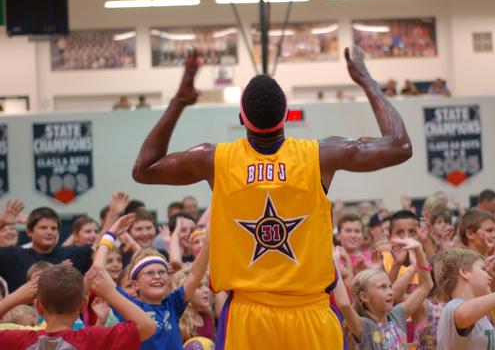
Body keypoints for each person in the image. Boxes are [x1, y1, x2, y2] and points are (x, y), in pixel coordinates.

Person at [131, 46, 412, 350]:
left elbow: (144, 168)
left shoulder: (215, 160)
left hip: (248, 318)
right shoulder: (320, 155)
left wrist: (180, 101)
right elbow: (400, 145)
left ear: (242, 117)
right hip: (312, 316)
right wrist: (366, 79)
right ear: (284, 117)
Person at [94, 213, 210, 350]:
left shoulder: (173, 304)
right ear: (135, 284)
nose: (157, 276)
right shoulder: (130, 306)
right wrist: (110, 234)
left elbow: (196, 273)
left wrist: (209, 239)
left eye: (161, 272)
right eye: (150, 273)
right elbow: (98, 271)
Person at [0, 264, 156, 349]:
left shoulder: (19, 340)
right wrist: (110, 292)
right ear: (83, 305)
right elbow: (147, 326)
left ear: (38, 307)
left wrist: (14, 297)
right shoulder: (93, 339)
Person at [333, 238, 433, 349]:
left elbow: (426, 286)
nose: (390, 292)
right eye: (383, 287)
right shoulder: (366, 327)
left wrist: (419, 250)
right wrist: (335, 265)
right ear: (364, 297)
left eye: (390, 286)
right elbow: (344, 305)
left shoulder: (397, 315)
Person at [0, 207, 94, 292]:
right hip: (24, 310)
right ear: (29, 231)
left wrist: (109, 215)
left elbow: (98, 248)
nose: (49, 232)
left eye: (54, 228)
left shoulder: (70, 254)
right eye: (43, 228)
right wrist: (1, 222)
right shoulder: (13, 256)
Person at [434, 247, 495, 350]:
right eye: (483, 269)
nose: (489, 276)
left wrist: (492, 286)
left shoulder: (482, 317)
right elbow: (463, 314)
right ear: (464, 272)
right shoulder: (451, 307)